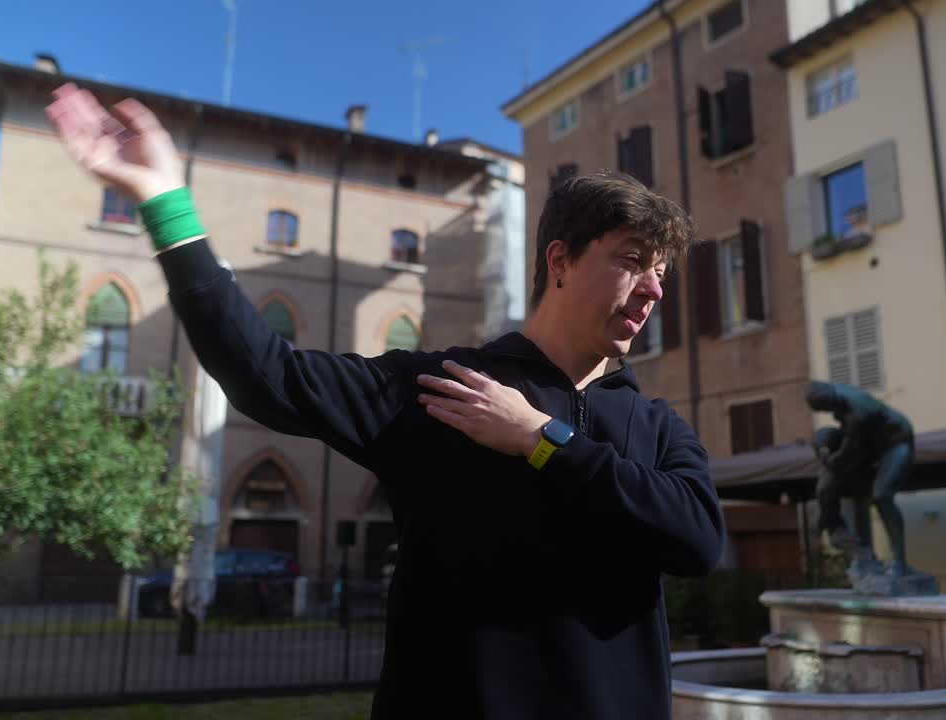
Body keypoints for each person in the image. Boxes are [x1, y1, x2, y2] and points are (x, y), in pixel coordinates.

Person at [46, 83, 727, 719]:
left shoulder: (660, 429)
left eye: (662, 272)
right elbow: (264, 375)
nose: (655, 291)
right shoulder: (438, 389)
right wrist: (166, 200)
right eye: (634, 260)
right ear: (560, 261)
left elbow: (697, 542)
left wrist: (539, 440)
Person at [805, 381, 914, 576]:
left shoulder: (859, 411)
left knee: (882, 496)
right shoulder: (838, 395)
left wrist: (828, 459)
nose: (829, 414)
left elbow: (845, 455)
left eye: (826, 409)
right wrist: (821, 448)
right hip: (869, 446)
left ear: (830, 400)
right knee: (825, 482)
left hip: (895, 443)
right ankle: (838, 530)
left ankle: (900, 562)